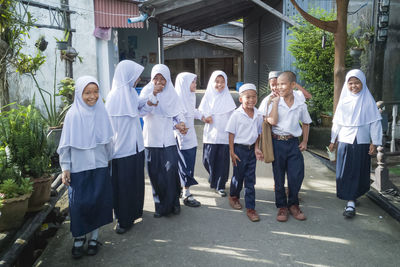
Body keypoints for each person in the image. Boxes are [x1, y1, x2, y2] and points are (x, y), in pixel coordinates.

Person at [58, 76, 114, 258]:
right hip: (79, 168)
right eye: (87, 93)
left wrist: (108, 159)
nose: (92, 96)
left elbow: (108, 141)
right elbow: (65, 145)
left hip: (99, 166)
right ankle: (79, 237)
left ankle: (94, 238)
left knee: (98, 201)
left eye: (95, 92)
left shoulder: (102, 111)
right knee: (79, 204)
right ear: (79, 94)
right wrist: (65, 167)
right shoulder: (72, 114)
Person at [105, 60, 155, 234]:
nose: (138, 78)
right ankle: (123, 219)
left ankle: (135, 212)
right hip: (122, 150)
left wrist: (150, 101)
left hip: (136, 148)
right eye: (135, 75)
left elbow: (139, 110)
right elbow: (108, 129)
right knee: (123, 186)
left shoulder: (131, 93)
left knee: (135, 183)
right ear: (126, 75)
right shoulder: (113, 97)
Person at [328, 69, 382, 218]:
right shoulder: (344, 100)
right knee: (345, 170)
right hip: (345, 139)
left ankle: (353, 196)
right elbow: (337, 122)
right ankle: (350, 200)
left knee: (358, 169)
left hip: (362, 140)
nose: (353, 86)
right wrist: (333, 140)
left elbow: (375, 123)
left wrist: (375, 142)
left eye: (357, 82)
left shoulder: (368, 101)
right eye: (350, 83)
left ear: (362, 83)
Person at [139, 64, 187, 218]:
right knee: (155, 174)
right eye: (156, 79)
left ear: (168, 80)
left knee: (170, 172)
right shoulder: (146, 91)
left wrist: (181, 124)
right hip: (151, 140)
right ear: (151, 79)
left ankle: (174, 203)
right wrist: (153, 94)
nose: (159, 82)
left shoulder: (172, 94)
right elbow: (141, 112)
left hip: (168, 140)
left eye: (163, 79)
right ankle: (159, 206)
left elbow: (178, 114)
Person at [266, 71, 312, 222]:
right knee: (278, 177)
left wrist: (304, 141)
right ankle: (282, 207)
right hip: (277, 142)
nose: (279, 87)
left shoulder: (300, 103)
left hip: (293, 142)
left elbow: (306, 123)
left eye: (283, 84)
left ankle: (293, 204)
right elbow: (271, 121)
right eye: (277, 84)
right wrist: (275, 103)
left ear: (293, 85)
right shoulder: (273, 101)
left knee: (296, 175)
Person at [225, 83, 264, 222]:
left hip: (251, 151)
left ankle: (251, 208)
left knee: (250, 180)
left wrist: (256, 148)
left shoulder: (259, 114)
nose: (251, 100)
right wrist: (232, 151)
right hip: (239, 150)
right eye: (248, 97)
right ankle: (234, 196)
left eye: (254, 97)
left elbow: (259, 133)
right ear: (241, 99)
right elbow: (231, 133)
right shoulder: (236, 115)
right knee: (238, 176)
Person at [199, 70, 236, 197]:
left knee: (222, 162)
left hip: (224, 136)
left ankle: (220, 185)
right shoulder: (207, 96)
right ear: (211, 82)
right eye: (217, 81)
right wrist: (204, 118)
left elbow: (233, 118)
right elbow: (200, 113)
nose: (220, 85)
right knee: (207, 160)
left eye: (222, 82)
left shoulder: (228, 98)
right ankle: (213, 176)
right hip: (210, 135)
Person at [174, 72, 204, 207]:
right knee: (185, 166)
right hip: (182, 138)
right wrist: (181, 128)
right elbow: (176, 118)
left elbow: (193, 111)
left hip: (190, 137)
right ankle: (186, 194)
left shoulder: (190, 97)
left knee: (188, 164)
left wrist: (203, 116)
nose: (195, 84)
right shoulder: (177, 100)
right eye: (193, 82)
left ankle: (182, 189)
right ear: (184, 84)